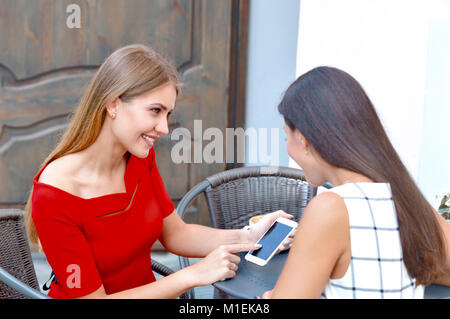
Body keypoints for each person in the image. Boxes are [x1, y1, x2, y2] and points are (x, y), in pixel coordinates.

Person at [24, 44, 292, 299]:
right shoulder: (55, 195)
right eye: (155, 111)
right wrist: (191, 275)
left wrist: (249, 237)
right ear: (112, 104)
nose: (164, 128)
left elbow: (176, 234)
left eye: (167, 114)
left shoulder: (140, 157)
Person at [262, 66, 450, 299]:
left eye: (286, 136)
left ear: (303, 139)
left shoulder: (330, 209)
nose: (288, 149)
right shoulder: (405, 196)